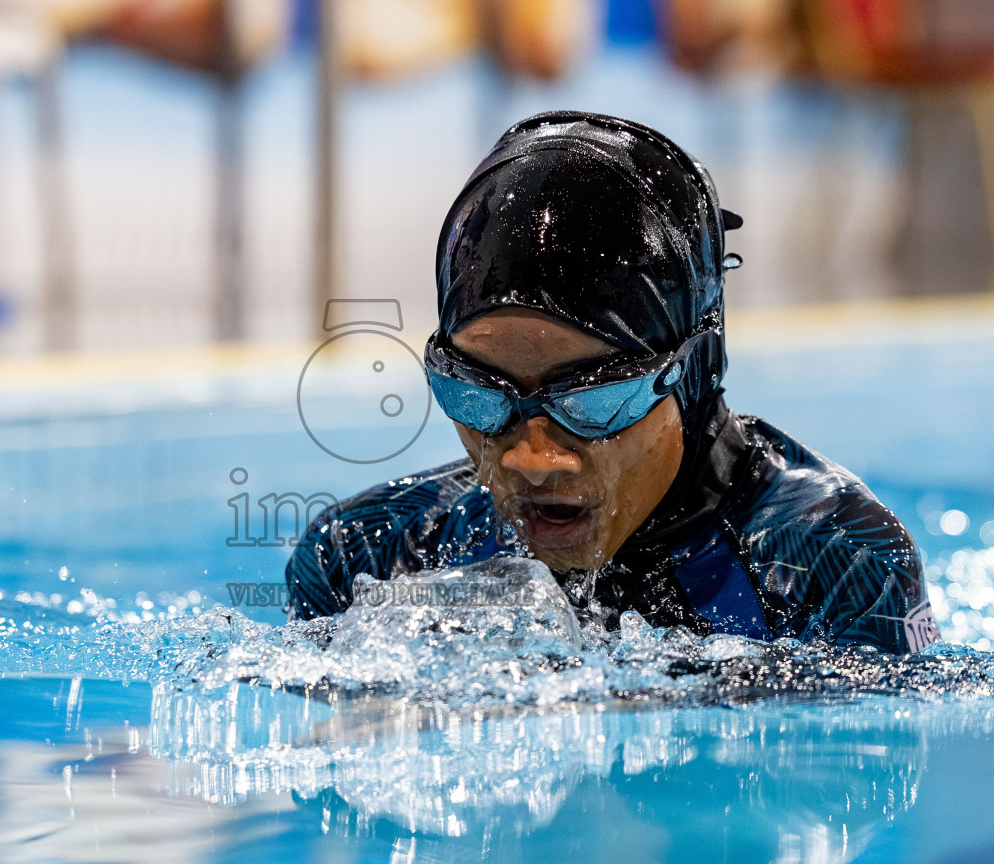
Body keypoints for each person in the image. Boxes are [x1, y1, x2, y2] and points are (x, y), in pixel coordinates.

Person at [286, 111, 936, 654]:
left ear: (691, 372)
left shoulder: (829, 560)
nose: (530, 459)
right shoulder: (369, 559)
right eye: (477, 396)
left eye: (592, 402)